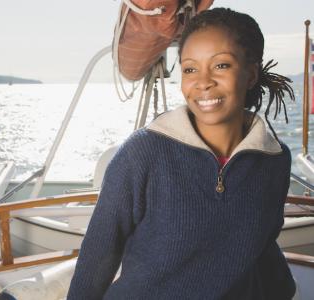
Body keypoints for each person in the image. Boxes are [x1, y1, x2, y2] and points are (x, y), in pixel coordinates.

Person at [67, 7, 296, 300]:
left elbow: (262, 246)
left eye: (221, 65)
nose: (203, 82)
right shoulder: (142, 153)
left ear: (251, 74)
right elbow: (99, 253)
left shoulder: (274, 159)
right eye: (190, 69)